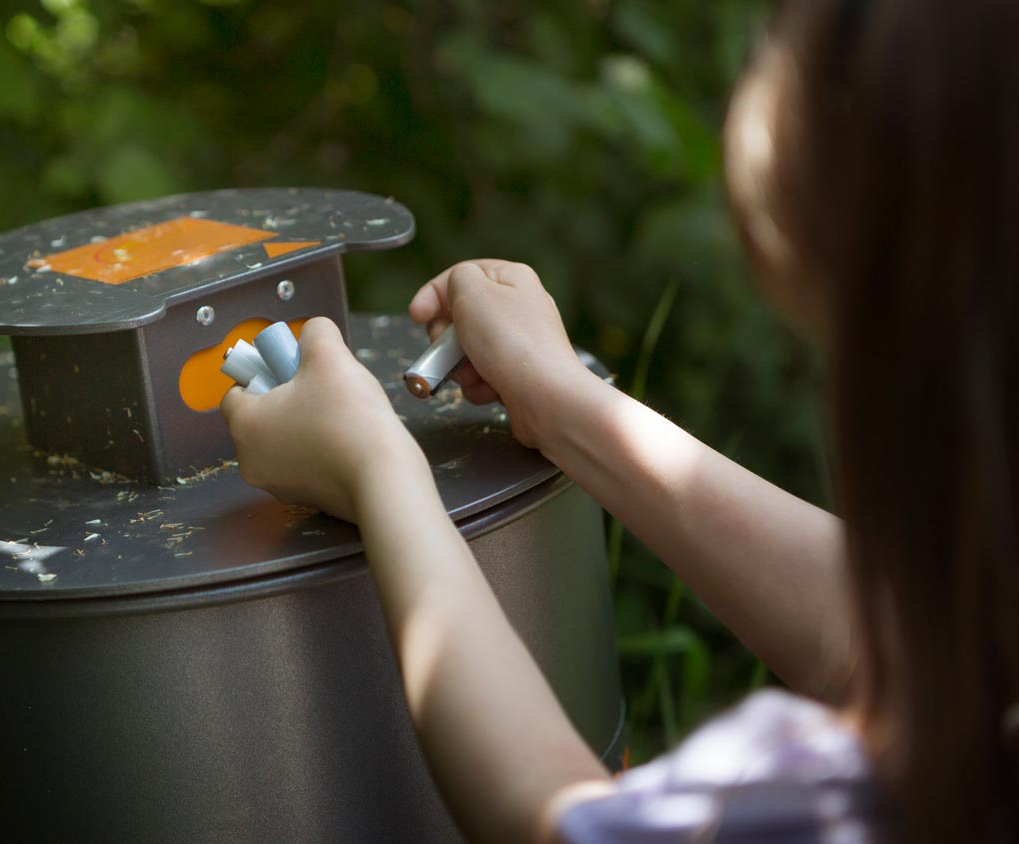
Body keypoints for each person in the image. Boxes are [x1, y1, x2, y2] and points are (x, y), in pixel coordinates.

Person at [219, 2, 1018, 842]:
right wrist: (567, 404)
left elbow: (565, 822)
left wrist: (377, 468)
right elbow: (895, 638)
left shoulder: (828, 810)